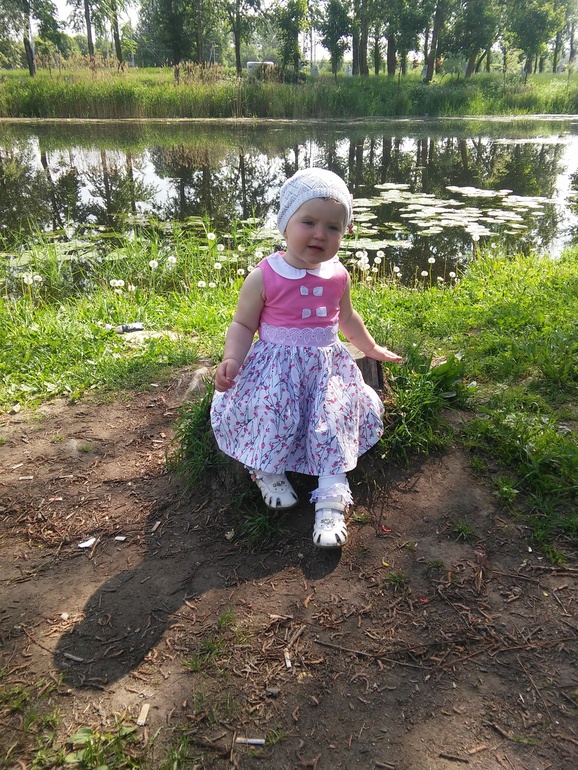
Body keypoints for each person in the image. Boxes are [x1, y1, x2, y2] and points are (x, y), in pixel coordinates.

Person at [211, 168, 402, 548]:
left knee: (333, 418)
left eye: (333, 227)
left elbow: (348, 318)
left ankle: (331, 497)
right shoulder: (265, 276)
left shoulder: (338, 276)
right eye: (308, 222)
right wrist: (232, 358)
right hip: (275, 369)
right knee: (270, 411)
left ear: (344, 232)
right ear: (285, 223)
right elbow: (243, 324)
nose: (319, 234)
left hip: (325, 369)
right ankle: (266, 468)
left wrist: (369, 348)